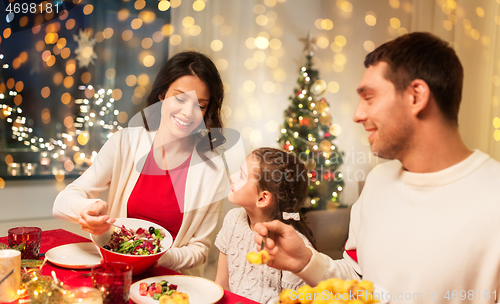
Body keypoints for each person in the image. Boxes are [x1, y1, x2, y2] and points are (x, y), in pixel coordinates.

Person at [253, 32, 500, 304]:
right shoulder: (378, 181)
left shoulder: (494, 199)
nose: (358, 115)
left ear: (416, 96)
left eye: (369, 98)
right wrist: (305, 262)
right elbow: (361, 282)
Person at [53, 51, 229, 276]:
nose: (188, 112)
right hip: (116, 276)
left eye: (200, 105)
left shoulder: (212, 170)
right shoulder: (125, 142)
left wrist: (160, 256)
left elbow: (200, 249)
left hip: (170, 287)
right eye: (180, 98)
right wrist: (86, 209)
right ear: (162, 94)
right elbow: (62, 202)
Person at [214, 147, 316, 303]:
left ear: (262, 199)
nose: (233, 177)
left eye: (242, 176)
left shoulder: (293, 247)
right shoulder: (232, 220)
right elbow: (221, 285)